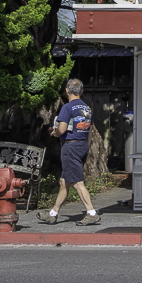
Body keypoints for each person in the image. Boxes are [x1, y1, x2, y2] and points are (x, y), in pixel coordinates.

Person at [38, 79, 101, 226]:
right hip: (82, 145)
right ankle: (53, 214)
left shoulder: (67, 108)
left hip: (70, 146)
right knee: (64, 182)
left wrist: (54, 133)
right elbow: (90, 131)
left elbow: (62, 129)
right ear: (82, 91)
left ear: (67, 91)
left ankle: (91, 213)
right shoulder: (87, 108)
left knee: (77, 183)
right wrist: (86, 147)